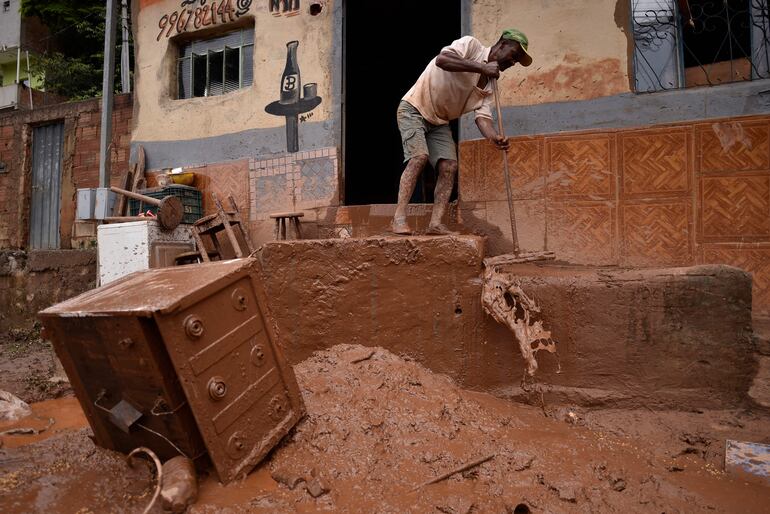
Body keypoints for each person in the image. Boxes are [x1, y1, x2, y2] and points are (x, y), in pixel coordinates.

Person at [391, 29, 533, 235]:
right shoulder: (471, 45)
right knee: (419, 157)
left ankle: (436, 224)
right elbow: (442, 60)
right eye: (514, 55)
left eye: (518, 61)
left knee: (449, 166)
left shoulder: (490, 84)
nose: (513, 62)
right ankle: (399, 219)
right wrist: (481, 67)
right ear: (502, 45)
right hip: (414, 108)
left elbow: (482, 118)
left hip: (439, 121)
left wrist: (494, 137)